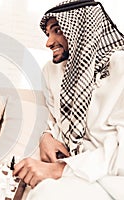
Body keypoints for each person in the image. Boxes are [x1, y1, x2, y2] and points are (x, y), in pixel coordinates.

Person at [13, 0, 124, 199]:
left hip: (110, 177)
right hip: (70, 164)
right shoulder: (52, 70)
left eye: (57, 30)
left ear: (83, 29)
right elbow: (54, 118)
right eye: (48, 34)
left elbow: (121, 154)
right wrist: (45, 136)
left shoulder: (121, 68)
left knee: (46, 194)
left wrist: (61, 170)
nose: (48, 43)